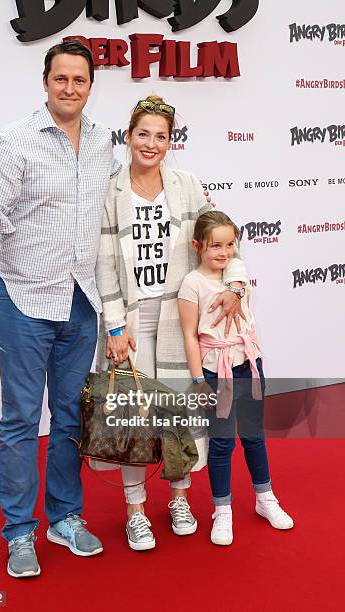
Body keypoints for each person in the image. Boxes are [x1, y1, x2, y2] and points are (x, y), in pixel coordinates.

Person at [0, 40, 120, 577]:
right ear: (46, 81)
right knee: (20, 421)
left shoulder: (104, 144)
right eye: (61, 79)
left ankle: (65, 517)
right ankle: (18, 532)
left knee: (71, 417)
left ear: (90, 86)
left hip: (81, 303)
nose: (70, 88)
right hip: (26, 299)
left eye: (80, 80)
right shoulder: (14, 141)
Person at [95, 96, 248, 551]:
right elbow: (104, 264)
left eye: (161, 136)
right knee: (133, 421)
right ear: (128, 136)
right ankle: (136, 510)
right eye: (143, 133)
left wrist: (236, 285)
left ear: (170, 141)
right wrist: (115, 325)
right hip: (133, 321)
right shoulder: (112, 189)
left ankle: (179, 497)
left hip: (181, 319)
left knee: (180, 417)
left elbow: (223, 239)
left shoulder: (187, 185)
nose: (151, 143)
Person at [178, 210, 294, 546]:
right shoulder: (192, 283)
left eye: (230, 245)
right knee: (222, 443)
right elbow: (189, 335)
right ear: (197, 245)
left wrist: (238, 286)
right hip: (216, 371)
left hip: (249, 364)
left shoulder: (235, 276)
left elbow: (238, 271)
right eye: (216, 245)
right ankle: (222, 510)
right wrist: (199, 380)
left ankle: (265, 498)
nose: (225, 252)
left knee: (255, 437)